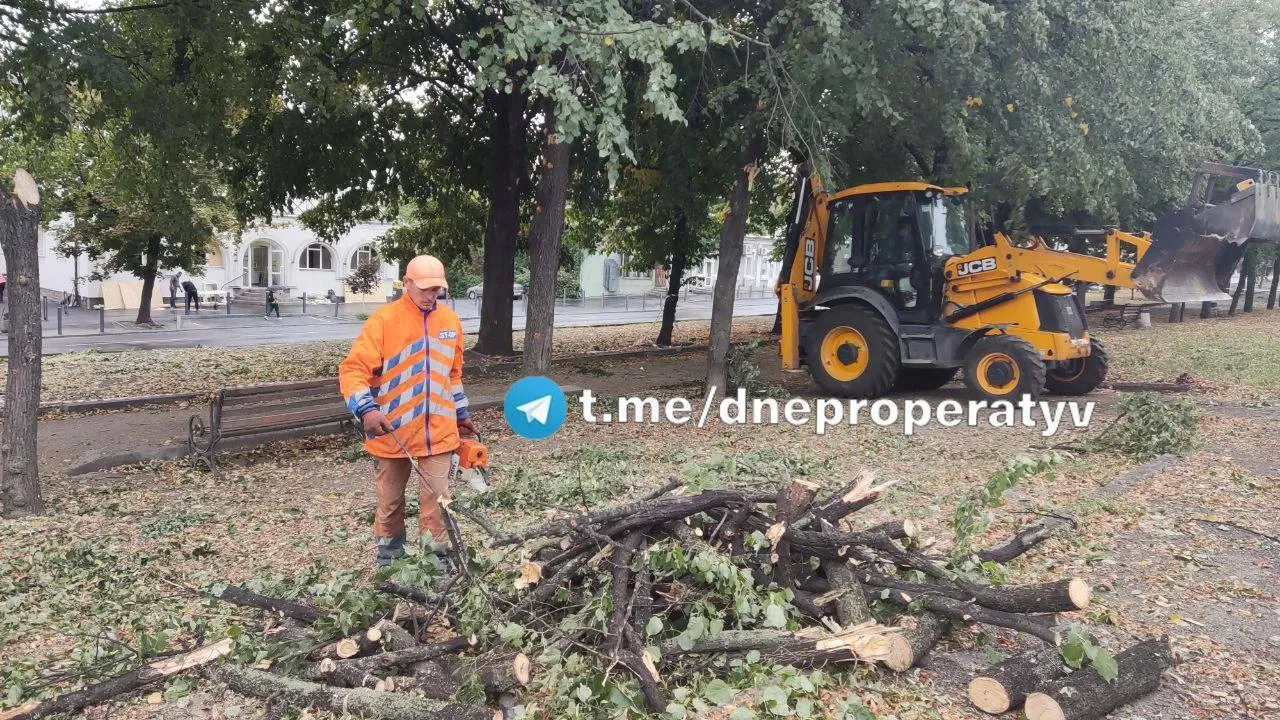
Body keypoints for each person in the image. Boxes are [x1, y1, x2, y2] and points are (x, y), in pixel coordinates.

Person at [339, 255, 476, 567]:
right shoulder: (384, 321)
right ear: (407, 283)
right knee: (389, 501)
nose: (431, 296)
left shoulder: (450, 322)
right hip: (392, 431)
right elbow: (353, 370)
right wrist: (366, 410)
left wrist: (461, 415)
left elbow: (452, 375)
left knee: (438, 499)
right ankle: (390, 557)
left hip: (439, 431)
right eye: (425, 289)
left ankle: (436, 559)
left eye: (436, 290)